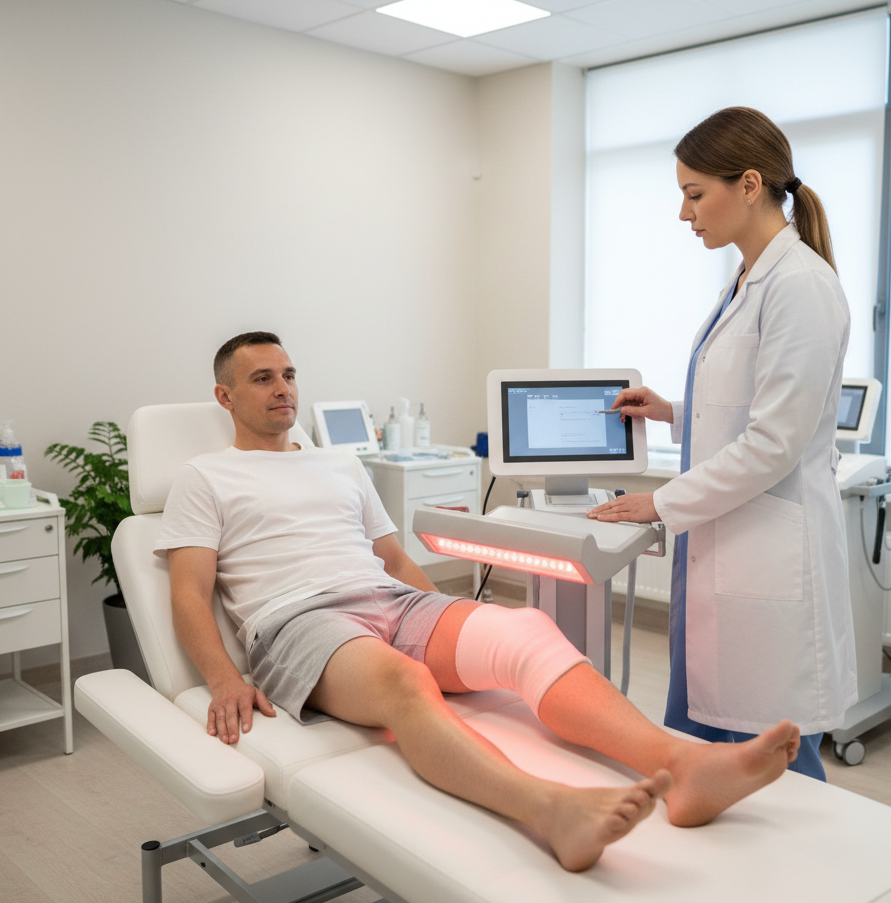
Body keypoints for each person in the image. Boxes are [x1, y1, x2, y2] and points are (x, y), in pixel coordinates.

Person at [157, 330, 801, 873]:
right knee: (407, 683)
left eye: (289, 375)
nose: (283, 389)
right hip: (300, 622)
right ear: (226, 396)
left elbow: (395, 561)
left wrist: (450, 621)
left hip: (390, 600)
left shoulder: (340, 464)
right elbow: (189, 590)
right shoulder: (205, 476)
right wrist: (221, 679)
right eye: (263, 378)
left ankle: (683, 765)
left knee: (525, 627)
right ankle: (550, 811)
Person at [587, 107, 857, 782]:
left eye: (694, 193)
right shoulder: (747, 278)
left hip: (766, 556)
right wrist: (675, 412)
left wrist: (660, 502)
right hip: (726, 543)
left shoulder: (798, 284)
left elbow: (775, 443)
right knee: (712, 758)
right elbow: (747, 412)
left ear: (749, 184)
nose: (685, 214)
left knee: (775, 768)